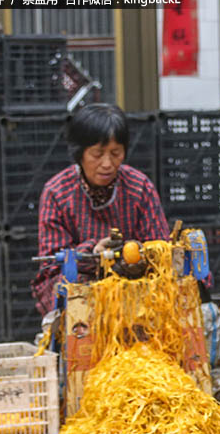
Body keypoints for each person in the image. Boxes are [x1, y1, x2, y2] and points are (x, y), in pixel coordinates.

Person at [30, 103, 170, 318]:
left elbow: (161, 251)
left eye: (115, 153)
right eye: (97, 154)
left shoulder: (139, 188)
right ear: (80, 153)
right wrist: (92, 254)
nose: (107, 164)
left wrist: (135, 256)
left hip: (134, 294)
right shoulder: (57, 193)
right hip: (81, 294)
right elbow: (49, 268)